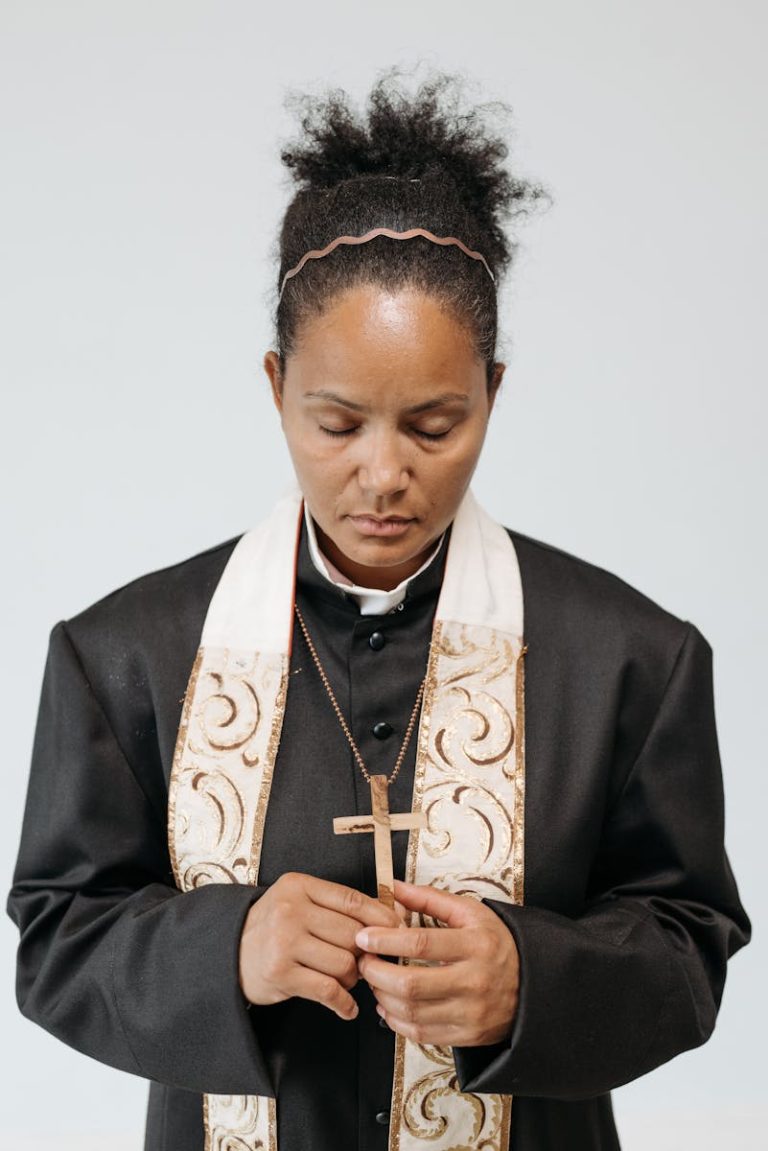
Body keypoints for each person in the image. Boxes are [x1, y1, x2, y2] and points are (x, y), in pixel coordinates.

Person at [6, 67, 751, 1151]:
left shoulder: (634, 658)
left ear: (495, 391)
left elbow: (690, 949)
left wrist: (529, 978)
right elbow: (56, 935)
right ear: (274, 386)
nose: (383, 473)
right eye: (337, 421)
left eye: (435, 424)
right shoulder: (125, 654)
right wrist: (231, 949)